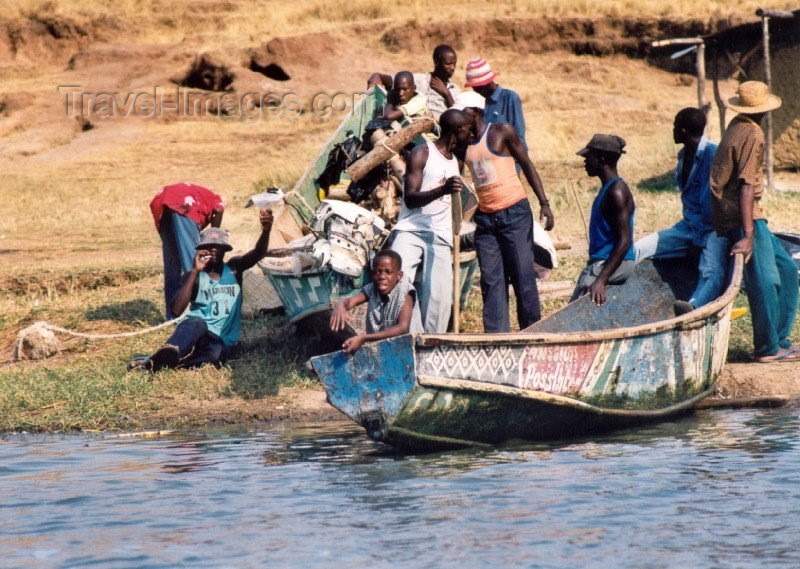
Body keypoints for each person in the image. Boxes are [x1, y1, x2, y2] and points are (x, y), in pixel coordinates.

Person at [709, 81, 799, 362]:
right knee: (765, 279)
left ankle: (780, 339)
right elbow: (746, 185)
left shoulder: (737, 123)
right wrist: (748, 234)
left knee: (786, 270)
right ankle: (767, 348)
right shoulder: (752, 133)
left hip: (742, 210)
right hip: (742, 213)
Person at [454, 91, 554, 332]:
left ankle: (531, 334)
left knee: (522, 278)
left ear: (475, 113)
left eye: (462, 113)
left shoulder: (501, 132)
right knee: (491, 281)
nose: (459, 118)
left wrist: (544, 203)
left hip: (515, 214)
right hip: (486, 221)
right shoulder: (461, 144)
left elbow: (527, 164)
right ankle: (496, 339)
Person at [129, 211, 273, 371]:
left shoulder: (234, 269)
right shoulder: (194, 277)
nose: (212, 250)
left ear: (224, 250)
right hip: (196, 331)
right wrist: (195, 270)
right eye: (207, 246)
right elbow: (176, 310)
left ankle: (164, 364)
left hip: (220, 340)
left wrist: (266, 230)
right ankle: (171, 350)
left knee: (214, 357)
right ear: (201, 250)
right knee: (196, 322)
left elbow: (258, 253)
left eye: (217, 247)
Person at [634, 108, 728, 314]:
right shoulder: (683, 156)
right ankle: (613, 272)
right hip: (689, 227)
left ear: (684, 131)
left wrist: (699, 241)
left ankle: (693, 307)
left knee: (712, 271)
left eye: (675, 126)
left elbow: (715, 205)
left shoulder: (714, 155)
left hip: (714, 229)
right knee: (641, 247)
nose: (673, 131)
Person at [390, 109, 471, 333]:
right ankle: (399, 336)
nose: (471, 134)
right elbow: (411, 198)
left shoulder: (457, 162)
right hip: (411, 231)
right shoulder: (421, 153)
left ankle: (432, 343)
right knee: (397, 282)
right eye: (468, 129)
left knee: (440, 298)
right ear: (457, 130)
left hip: (440, 235)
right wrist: (442, 189)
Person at [571, 134, 636, 306]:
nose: (585, 161)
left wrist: (601, 280)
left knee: (577, 304)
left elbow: (624, 241)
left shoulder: (616, 192)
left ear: (601, 159)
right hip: (605, 261)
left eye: (588, 156)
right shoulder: (609, 189)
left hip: (614, 263)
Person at [150, 182, 224, 319]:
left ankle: (171, 317)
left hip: (163, 202)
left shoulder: (203, 198)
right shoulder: (216, 200)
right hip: (184, 204)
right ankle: (203, 311)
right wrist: (215, 236)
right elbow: (219, 210)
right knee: (194, 265)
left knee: (172, 265)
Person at [330, 250, 423, 353]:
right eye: (377, 272)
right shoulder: (371, 289)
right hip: (386, 352)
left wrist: (364, 338)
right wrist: (340, 305)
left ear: (399, 275)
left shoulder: (405, 291)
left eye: (388, 272)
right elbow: (351, 301)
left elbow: (402, 328)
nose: (382, 276)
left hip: (410, 350)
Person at [368, 45, 460, 119]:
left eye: (454, 64)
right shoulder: (418, 80)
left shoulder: (454, 90)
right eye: (448, 64)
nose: (452, 68)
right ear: (436, 62)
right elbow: (383, 78)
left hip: (439, 133)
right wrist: (375, 81)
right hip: (412, 128)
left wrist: (446, 93)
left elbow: (458, 117)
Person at [465, 58, 527, 151]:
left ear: (485, 84)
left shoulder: (510, 97)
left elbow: (519, 138)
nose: (475, 91)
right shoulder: (478, 102)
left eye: (476, 88)